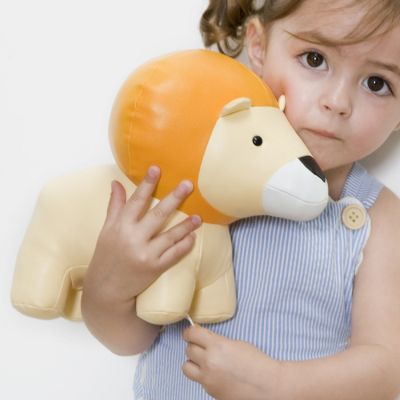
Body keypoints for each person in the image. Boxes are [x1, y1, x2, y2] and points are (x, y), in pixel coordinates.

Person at [81, 0, 400, 399]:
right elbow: (128, 340)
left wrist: (277, 384)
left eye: (377, 83)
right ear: (259, 48)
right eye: (315, 59)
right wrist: (110, 287)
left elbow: (386, 369)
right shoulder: (194, 185)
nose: (337, 102)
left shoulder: (377, 218)